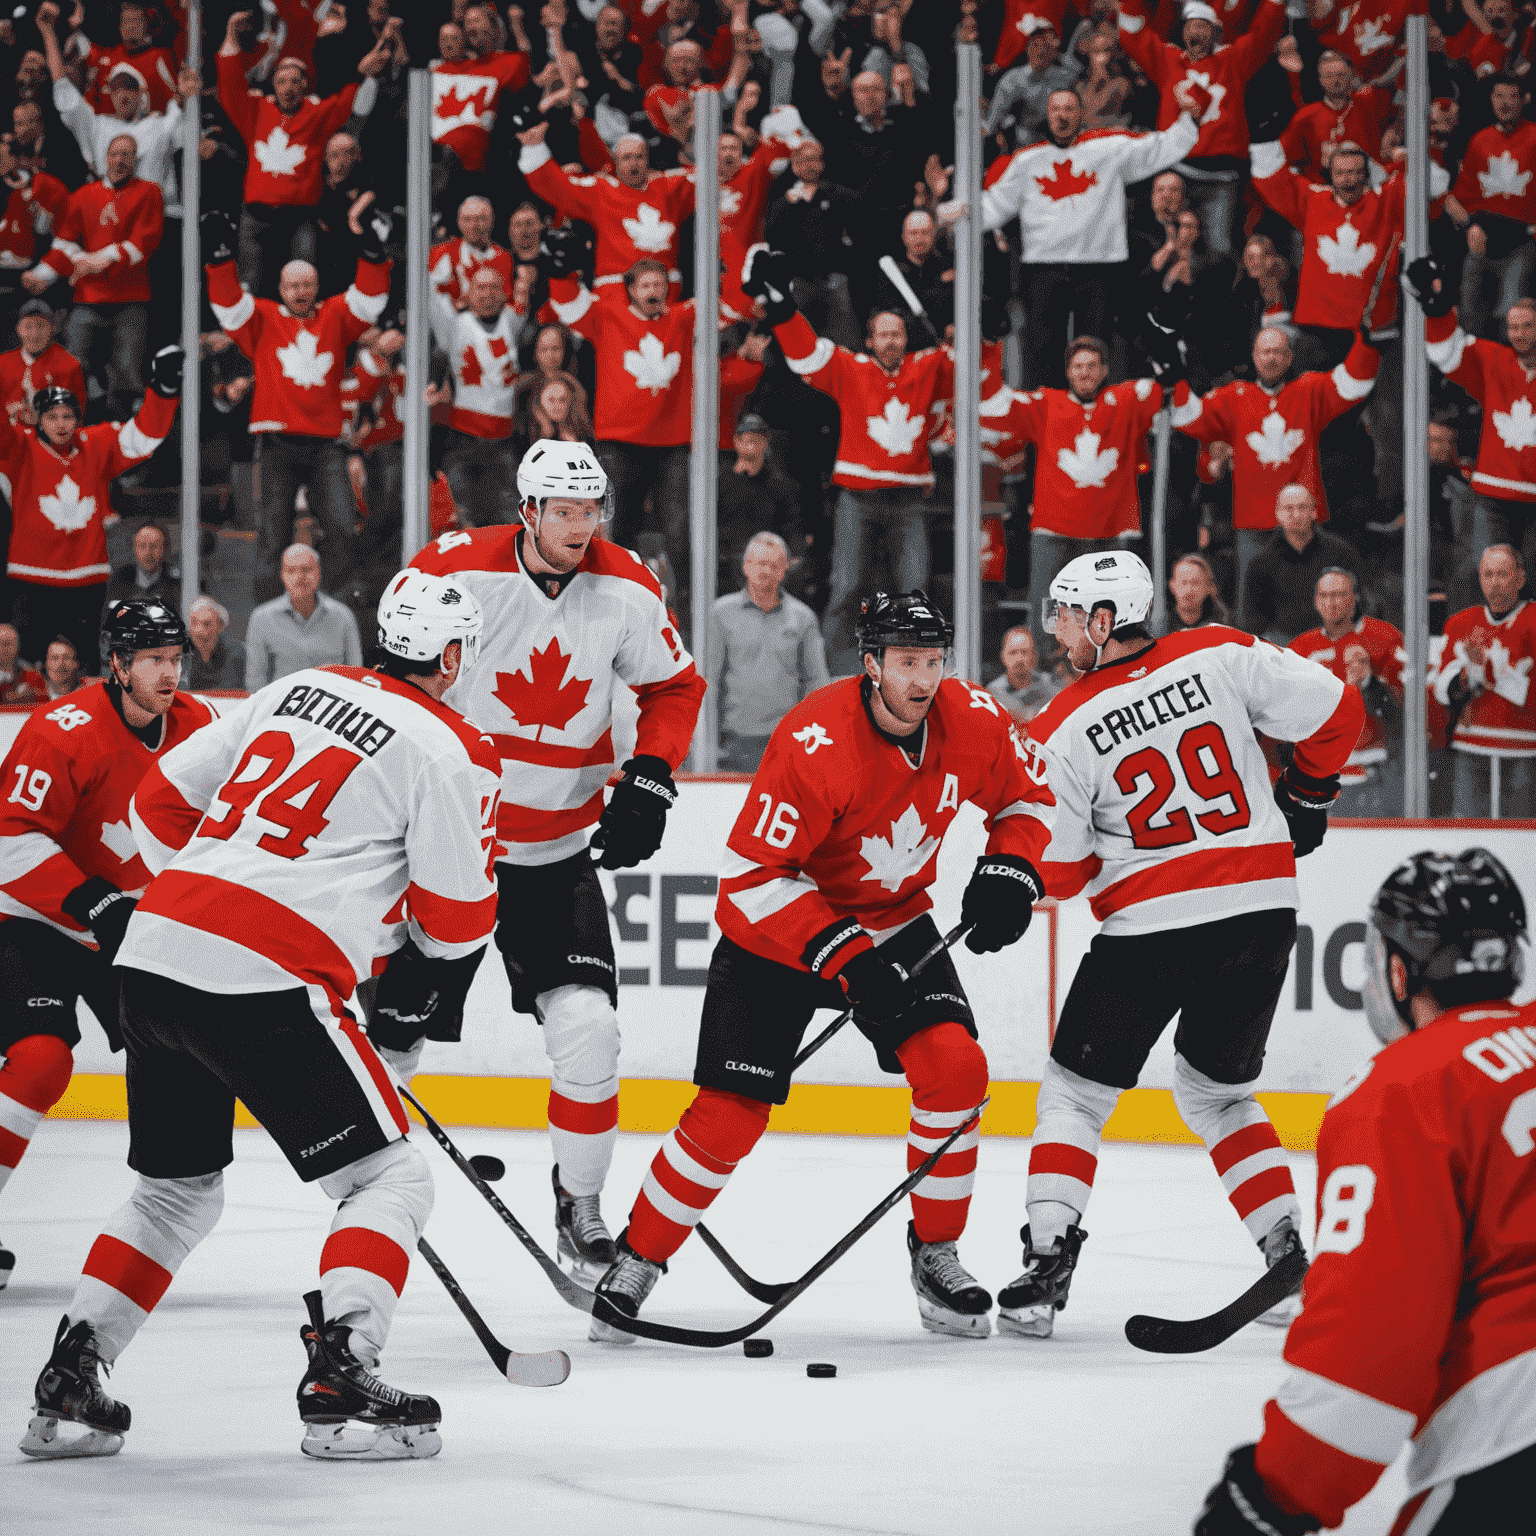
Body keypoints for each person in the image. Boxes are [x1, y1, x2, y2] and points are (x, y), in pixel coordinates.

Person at [17, 570, 501, 1461]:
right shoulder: (446, 745)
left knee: (174, 1189)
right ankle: (343, 1374)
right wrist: (372, 931)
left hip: (154, 955)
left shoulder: (293, 687)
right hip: (270, 978)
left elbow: (156, 803)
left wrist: (215, 905)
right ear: (457, 655)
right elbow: (460, 920)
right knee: (389, 1181)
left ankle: (73, 1372)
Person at [593, 591, 1056, 1340]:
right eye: (907, 662)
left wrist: (1011, 867)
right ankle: (639, 1256)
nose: (924, 678)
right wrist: (846, 958)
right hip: (776, 933)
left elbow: (1031, 798)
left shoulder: (973, 719)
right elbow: (750, 877)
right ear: (872, 664)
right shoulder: (815, 739)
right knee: (730, 1113)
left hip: (894, 919)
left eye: (934, 661)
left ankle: (936, 1254)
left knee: (956, 1071)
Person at [1011, 550, 1363, 1338]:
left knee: (1075, 1095)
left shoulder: (1061, 725)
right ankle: (1285, 1257)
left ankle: (1045, 1263)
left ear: (1105, 622)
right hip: (1263, 913)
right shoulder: (1222, 650)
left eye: (1069, 612)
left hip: (1152, 929)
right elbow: (1340, 711)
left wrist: (1088, 853)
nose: (1057, 627)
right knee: (1217, 1094)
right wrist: (1307, 792)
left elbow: (1062, 872)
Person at [408, 442, 705, 1305]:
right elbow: (400, 677)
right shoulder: (457, 570)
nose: (581, 528)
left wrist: (651, 773)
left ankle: (579, 1203)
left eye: (592, 512)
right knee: (391, 1042)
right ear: (527, 510)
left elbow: (675, 687)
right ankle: (367, 1195)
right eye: (564, 512)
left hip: (553, 857)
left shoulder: (628, 587)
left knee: (590, 1030)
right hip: (448, 849)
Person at [1194, 848, 1535, 1536]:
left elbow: (1370, 1355)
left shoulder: (1404, 1089)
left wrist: (1274, 1493)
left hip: (1512, 1436)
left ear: (1397, 970)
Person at [0, 599, 216, 1293]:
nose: (167, 673)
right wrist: (91, 899)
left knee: (187, 1051)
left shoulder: (201, 727)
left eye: (174, 658)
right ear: (117, 664)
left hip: (130, 929)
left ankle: (168, 1204)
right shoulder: (60, 731)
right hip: (40, 920)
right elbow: (8, 838)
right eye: (151, 659)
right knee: (40, 1061)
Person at [743, 247, 953, 675]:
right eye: (883, 335)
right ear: (870, 341)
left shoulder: (929, 366)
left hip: (908, 501)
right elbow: (806, 355)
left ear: (905, 338)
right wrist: (782, 306)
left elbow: (971, 367)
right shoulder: (853, 369)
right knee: (846, 587)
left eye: (898, 334)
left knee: (915, 590)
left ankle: (916, 667)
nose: (892, 341)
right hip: (857, 499)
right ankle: (827, 673)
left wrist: (969, 334)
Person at [942, 81, 1202, 388]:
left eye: (1069, 108)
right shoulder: (1027, 161)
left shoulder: (1108, 149)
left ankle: (1092, 426)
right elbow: (995, 206)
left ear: (1081, 113)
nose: (1062, 115)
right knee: (1041, 352)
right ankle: (1048, 425)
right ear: (1047, 114)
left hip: (1099, 270)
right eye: (1055, 109)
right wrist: (948, 210)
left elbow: (1157, 149)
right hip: (1044, 270)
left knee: (1094, 352)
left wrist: (1190, 118)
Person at [202, 205, 391, 604]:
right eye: (293, 286)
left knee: (342, 527)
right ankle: (269, 615)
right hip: (276, 445)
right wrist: (220, 259)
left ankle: (339, 609)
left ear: (317, 286)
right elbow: (229, 306)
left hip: (326, 445)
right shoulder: (263, 319)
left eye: (307, 285)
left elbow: (368, 301)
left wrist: (373, 254)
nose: (300, 292)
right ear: (281, 288)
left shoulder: (335, 316)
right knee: (273, 537)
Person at [979, 334, 1168, 653]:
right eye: (1078, 366)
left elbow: (1159, 391)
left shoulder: (1123, 402)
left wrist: (1163, 339)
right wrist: (990, 348)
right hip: (1054, 529)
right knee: (1047, 607)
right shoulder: (1046, 403)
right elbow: (995, 405)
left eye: (1093, 366)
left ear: (1105, 371)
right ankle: (1039, 673)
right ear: (1067, 372)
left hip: (1108, 530)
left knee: (1110, 611)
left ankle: (1111, 668)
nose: (1085, 373)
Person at [2, 349, 183, 668]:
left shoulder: (95, 444)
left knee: (84, 669)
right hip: (32, 579)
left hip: (87, 580)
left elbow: (144, 437)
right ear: (39, 419)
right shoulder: (22, 447)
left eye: (68, 416)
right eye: (52, 416)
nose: (61, 424)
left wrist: (163, 389)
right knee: (29, 670)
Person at [1170, 325, 1378, 597]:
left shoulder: (1309, 390)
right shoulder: (1233, 397)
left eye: (1279, 352)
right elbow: (1188, 417)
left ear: (1290, 358)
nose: (1272, 358)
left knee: (1311, 601)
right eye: (1265, 351)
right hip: (1253, 523)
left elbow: (1352, 384)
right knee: (1253, 602)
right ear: (1254, 356)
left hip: (1304, 521)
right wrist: (1172, 371)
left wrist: (1369, 339)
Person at [546, 259, 698, 625]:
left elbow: (729, 307)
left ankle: (688, 617)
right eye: (645, 284)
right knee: (616, 530)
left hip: (672, 444)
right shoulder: (608, 315)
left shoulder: (682, 318)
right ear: (630, 289)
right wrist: (559, 268)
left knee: (680, 533)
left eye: (659, 284)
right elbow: (566, 304)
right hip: (619, 444)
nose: (653, 292)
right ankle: (611, 612)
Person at [217, 10, 388, 298]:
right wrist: (231, 33)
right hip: (255, 218)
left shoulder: (317, 116)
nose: (288, 88)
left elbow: (347, 99)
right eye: (282, 81)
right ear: (274, 84)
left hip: (299, 219)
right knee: (252, 288)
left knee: (304, 286)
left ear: (305, 85)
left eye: (295, 81)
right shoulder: (255, 112)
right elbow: (230, 84)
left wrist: (364, 72)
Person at [1116, 0, 1288, 258]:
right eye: (1191, 26)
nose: (1196, 32)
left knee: (1218, 250)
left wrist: (1275, 3)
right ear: (1183, 31)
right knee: (1168, 249)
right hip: (1177, 170)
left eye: (1203, 26)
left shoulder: (1233, 60)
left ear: (1216, 33)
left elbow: (1263, 34)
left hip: (1221, 176)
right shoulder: (1168, 59)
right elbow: (1133, 37)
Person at [22, 133, 163, 424]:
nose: (120, 160)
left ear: (136, 160)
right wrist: (42, 275)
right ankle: (79, 431)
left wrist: (97, 260)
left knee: (127, 373)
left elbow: (143, 243)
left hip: (131, 301)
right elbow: (65, 244)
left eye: (127, 155)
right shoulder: (84, 195)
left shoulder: (149, 192)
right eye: (115, 154)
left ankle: (125, 445)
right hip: (88, 299)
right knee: (72, 365)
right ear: (105, 159)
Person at [1410, 259, 1536, 580]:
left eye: (1527, 326)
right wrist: (1436, 310)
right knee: (1480, 579)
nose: (1518, 334)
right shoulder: (1494, 359)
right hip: (1493, 498)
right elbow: (1446, 352)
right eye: (1513, 327)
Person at [517, 122, 694, 296]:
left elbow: (710, 178)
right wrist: (534, 148)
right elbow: (560, 189)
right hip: (617, 293)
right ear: (615, 161)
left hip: (664, 291)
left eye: (639, 157)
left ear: (647, 159)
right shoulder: (601, 190)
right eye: (626, 158)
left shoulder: (668, 187)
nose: (633, 163)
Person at [707, 531, 829, 771]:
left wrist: (810, 740)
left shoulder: (803, 618)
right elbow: (709, 680)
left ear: (784, 570)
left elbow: (817, 683)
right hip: (734, 740)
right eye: (761, 563)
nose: (766, 571)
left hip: (787, 740)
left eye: (774, 565)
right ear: (746, 566)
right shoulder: (721, 613)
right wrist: (709, 742)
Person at [1289, 568, 1406, 817]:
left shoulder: (1382, 638)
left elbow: (1408, 705)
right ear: (1316, 602)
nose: (1332, 603)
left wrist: (1370, 683)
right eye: (1325, 595)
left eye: (1340, 595)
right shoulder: (1301, 648)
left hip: (1373, 772)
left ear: (1355, 599)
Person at [1432, 542, 1536, 819]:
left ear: (1520, 578)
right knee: (1468, 835)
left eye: (1502, 574)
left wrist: (1488, 671)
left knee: (1522, 840)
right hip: (1471, 747)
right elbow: (1443, 690)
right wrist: (1469, 676)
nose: (1494, 583)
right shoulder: (1460, 623)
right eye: (1487, 575)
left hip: (1525, 749)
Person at [430, 265, 521, 528]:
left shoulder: (513, 321)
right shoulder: (454, 325)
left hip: (505, 438)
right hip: (463, 439)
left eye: (494, 287)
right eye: (480, 287)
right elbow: (432, 297)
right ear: (468, 293)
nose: (487, 293)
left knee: (509, 517)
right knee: (466, 516)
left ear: (505, 293)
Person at [1241, 484, 1364, 645]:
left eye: (1302, 507)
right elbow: (1253, 621)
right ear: (1278, 514)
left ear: (1314, 512)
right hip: (1284, 649)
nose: (1296, 514)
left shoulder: (1341, 555)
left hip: (1335, 644)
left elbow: (1359, 607)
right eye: (1289, 508)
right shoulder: (1260, 564)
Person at [245, 544, 363, 690]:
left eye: (306, 569)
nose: (300, 577)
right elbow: (256, 680)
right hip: (281, 709)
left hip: (331, 708)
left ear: (319, 573)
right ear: (282, 575)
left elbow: (356, 675)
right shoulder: (262, 618)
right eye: (291, 570)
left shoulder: (343, 616)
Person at [716, 411, 803, 589]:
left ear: (765, 443)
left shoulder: (780, 485)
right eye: (745, 440)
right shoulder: (721, 482)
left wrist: (791, 554)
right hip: (724, 563)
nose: (749, 446)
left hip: (766, 561)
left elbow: (792, 524)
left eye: (755, 440)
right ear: (736, 442)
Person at [0, 300, 85, 429]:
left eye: (41, 326)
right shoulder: (3, 363)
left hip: (49, 440)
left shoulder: (69, 365)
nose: (34, 334)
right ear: (18, 329)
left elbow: (76, 418)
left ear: (52, 328)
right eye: (28, 326)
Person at [986, 625, 1057, 723]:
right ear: (1003, 656)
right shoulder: (993, 693)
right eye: (1013, 653)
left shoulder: (1049, 686)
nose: (1019, 659)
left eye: (1024, 652)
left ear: (1034, 656)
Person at [105, 521, 179, 608]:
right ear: (134, 548)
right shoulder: (120, 579)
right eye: (142, 546)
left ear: (165, 549)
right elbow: (107, 618)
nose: (148, 552)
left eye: (154, 546)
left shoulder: (174, 584)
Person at [184, 596, 246, 691]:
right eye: (194, 623)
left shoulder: (235, 652)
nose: (199, 631)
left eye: (207, 624)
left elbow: (231, 693)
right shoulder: (184, 650)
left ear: (220, 626)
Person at [1166, 552, 1229, 630]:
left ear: (1208, 587)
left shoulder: (1222, 625)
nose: (1189, 590)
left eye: (1195, 583)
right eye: (1184, 583)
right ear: (1172, 586)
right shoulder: (1158, 623)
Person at [0, 621, 44, 701]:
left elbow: (44, 701)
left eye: (9, 643)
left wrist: (31, 695)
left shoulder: (31, 677)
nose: (4, 648)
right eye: (1, 643)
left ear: (17, 646)